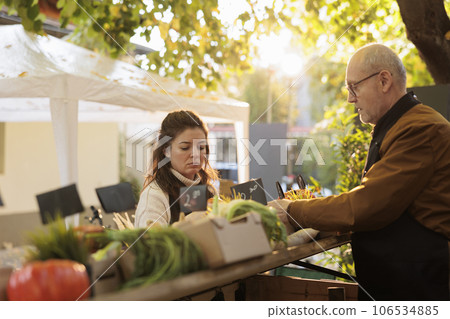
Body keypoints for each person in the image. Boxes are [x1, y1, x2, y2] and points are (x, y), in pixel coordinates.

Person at [269, 43, 450, 301]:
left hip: (419, 285)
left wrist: (291, 210)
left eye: (354, 87)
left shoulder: (419, 129)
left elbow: (367, 205)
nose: (350, 98)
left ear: (384, 80)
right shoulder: (399, 125)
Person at [134, 110, 218, 228]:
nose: (195, 154)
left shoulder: (209, 191)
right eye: (185, 147)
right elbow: (151, 244)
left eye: (201, 147)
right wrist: (186, 224)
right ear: (166, 151)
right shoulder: (155, 196)